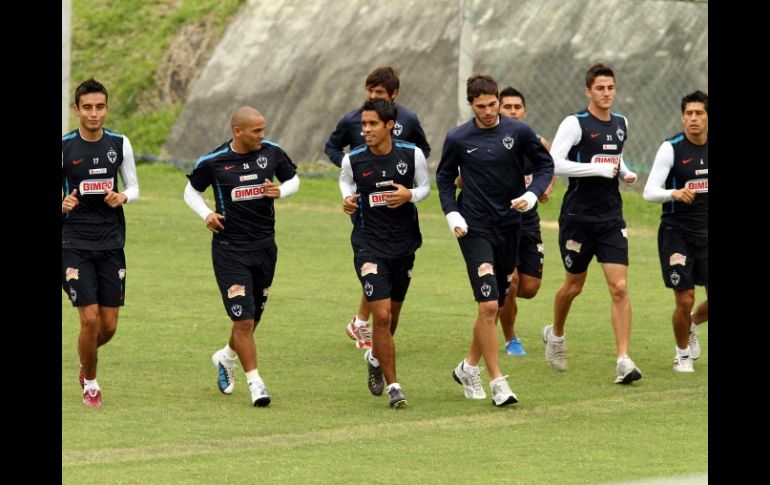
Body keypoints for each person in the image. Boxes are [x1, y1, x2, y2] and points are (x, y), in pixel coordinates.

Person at [436, 74, 553, 406]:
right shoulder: (458, 138)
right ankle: (498, 382)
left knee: (497, 303)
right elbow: (444, 176)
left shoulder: (518, 132)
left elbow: (546, 165)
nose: (488, 111)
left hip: (510, 227)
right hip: (474, 229)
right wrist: (451, 213)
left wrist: (532, 195)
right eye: (481, 106)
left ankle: (467, 366)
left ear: (498, 101)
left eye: (492, 104)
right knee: (488, 305)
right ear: (470, 105)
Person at [184, 106, 300, 407]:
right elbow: (190, 192)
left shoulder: (272, 153)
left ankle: (225, 357)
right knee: (244, 320)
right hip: (229, 250)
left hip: (264, 248)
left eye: (263, 129)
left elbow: (293, 180)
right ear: (238, 132)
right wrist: (206, 214)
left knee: (251, 318)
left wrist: (281, 192)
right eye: (256, 131)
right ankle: (256, 383)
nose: (263, 135)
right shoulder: (213, 161)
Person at [543, 63, 641, 384]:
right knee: (573, 287)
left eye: (611, 87)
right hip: (577, 219)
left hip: (611, 218)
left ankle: (623, 360)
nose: (606, 93)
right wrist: (595, 171)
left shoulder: (621, 123)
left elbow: (614, 157)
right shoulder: (575, 123)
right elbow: (555, 163)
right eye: (600, 88)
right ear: (588, 91)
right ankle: (555, 335)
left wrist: (623, 172)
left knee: (620, 287)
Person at [325, 66, 431, 351]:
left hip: (400, 213)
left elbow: (423, 151)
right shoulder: (352, 120)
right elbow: (333, 149)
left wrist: (408, 186)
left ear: (393, 95)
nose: (371, 96)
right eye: (369, 91)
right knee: (374, 259)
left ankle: (362, 322)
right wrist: (358, 170)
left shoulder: (408, 120)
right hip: (368, 210)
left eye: (379, 92)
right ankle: (364, 322)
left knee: (386, 266)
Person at [339, 99, 431, 408]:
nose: (366, 130)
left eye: (372, 124)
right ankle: (395, 387)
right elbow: (345, 184)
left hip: (404, 245)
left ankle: (375, 359)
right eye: (363, 124)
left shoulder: (411, 154)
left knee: (391, 319)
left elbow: (424, 187)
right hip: (368, 245)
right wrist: (348, 200)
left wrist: (410, 195)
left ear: (389, 125)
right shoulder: (353, 159)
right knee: (380, 315)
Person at [62, 78, 140, 408]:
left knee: (108, 327)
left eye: (100, 107)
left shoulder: (119, 144)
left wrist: (123, 196)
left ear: (106, 108)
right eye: (87, 108)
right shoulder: (65, 146)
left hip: (110, 243)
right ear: (76, 110)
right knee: (89, 319)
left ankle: (85, 362)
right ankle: (91, 384)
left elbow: (134, 187)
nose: (94, 114)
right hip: (73, 242)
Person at [643, 90, 708, 372]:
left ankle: (692, 323)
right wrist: (673, 193)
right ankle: (682, 354)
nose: (693, 118)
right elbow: (648, 192)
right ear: (683, 117)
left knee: (692, 307)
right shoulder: (671, 148)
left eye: (699, 113)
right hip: (676, 231)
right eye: (689, 114)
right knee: (685, 298)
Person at [496, 87, 555, 356]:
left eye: (517, 107)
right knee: (513, 282)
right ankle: (511, 339)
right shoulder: (490, 141)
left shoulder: (536, 141)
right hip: (499, 221)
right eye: (506, 107)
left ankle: (497, 296)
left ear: (524, 111)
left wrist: (547, 188)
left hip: (529, 222)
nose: (512, 111)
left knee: (529, 288)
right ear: (498, 110)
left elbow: (550, 165)